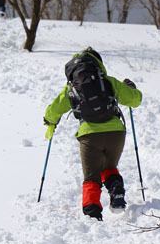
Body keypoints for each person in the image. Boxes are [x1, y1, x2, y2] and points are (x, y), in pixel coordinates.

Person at [42, 47, 142, 221]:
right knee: (109, 167)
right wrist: (130, 87)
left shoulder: (72, 88)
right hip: (116, 133)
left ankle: (92, 216)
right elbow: (135, 100)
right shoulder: (109, 82)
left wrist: (50, 122)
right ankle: (115, 187)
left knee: (91, 177)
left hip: (89, 135)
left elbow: (53, 110)